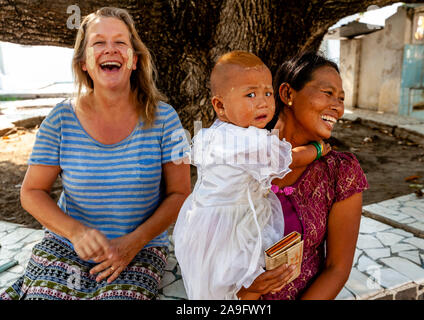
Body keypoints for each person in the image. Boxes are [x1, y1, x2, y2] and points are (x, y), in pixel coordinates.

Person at [0, 7, 190, 300]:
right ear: (84, 63)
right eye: (98, 43)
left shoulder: (166, 119)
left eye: (120, 42)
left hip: (139, 249)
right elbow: (31, 191)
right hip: (66, 244)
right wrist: (75, 232)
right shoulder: (60, 119)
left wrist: (135, 241)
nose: (109, 49)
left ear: (135, 60)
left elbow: (179, 193)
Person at [173, 51, 328, 300]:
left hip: (201, 220)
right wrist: (317, 149)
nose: (263, 102)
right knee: (236, 277)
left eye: (268, 93)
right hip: (230, 224)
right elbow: (290, 158)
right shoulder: (249, 141)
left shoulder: (214, 133)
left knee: (213, 284)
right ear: (220, 105)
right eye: (250, 94)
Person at [236, 51, 369, 300]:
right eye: (328, 93)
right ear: (287, 94)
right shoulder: (242, 158)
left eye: (341, 99)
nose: (338, 106)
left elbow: (337, 269)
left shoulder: (340, 172)